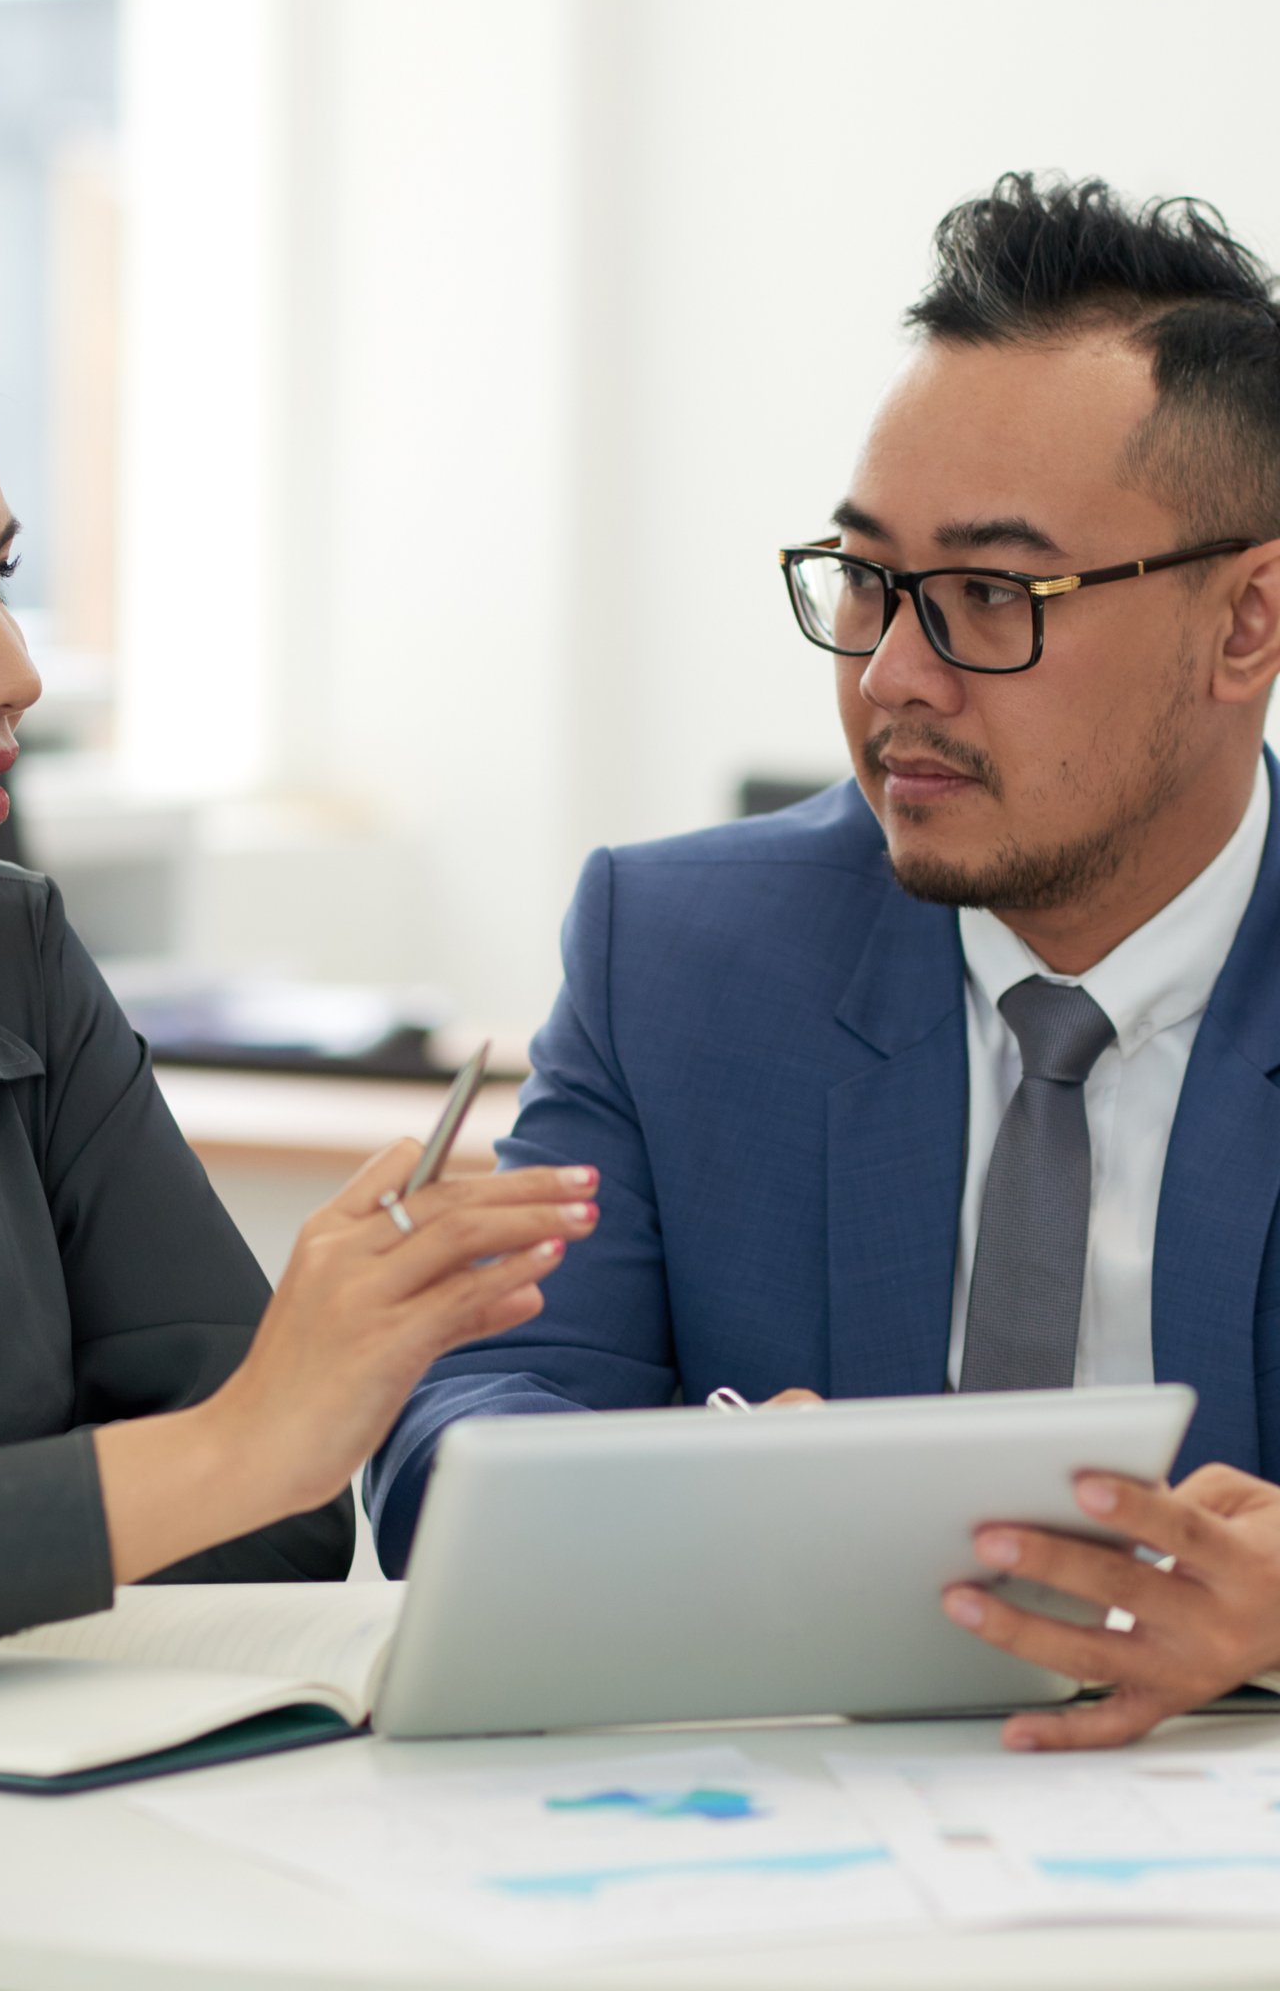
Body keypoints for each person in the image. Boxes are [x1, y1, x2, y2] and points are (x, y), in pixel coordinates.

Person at [366, 173, 1280, 1750]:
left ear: (1246, 624)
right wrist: (676, 1500)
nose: (894, 678)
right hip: (785, 1869)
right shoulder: (685, 954)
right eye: (868, 582)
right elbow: (457, 1430)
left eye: (994, 596)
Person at [0, 252, 603, 1719]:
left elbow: (283, 1517)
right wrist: (209, 1460)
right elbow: (243, 1455)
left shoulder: (9, 955)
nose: (11, 672)